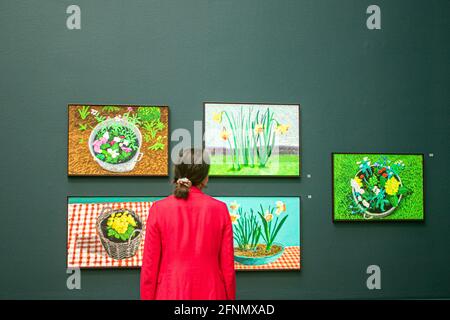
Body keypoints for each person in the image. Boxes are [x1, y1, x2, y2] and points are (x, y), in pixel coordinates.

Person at [140, 148, 236, 300]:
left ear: (178, 173)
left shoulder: (159, 209)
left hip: (170, 292)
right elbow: (228, 269)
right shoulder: (220, 209)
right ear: (205, 177)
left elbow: (149, 269)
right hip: (212, 292)